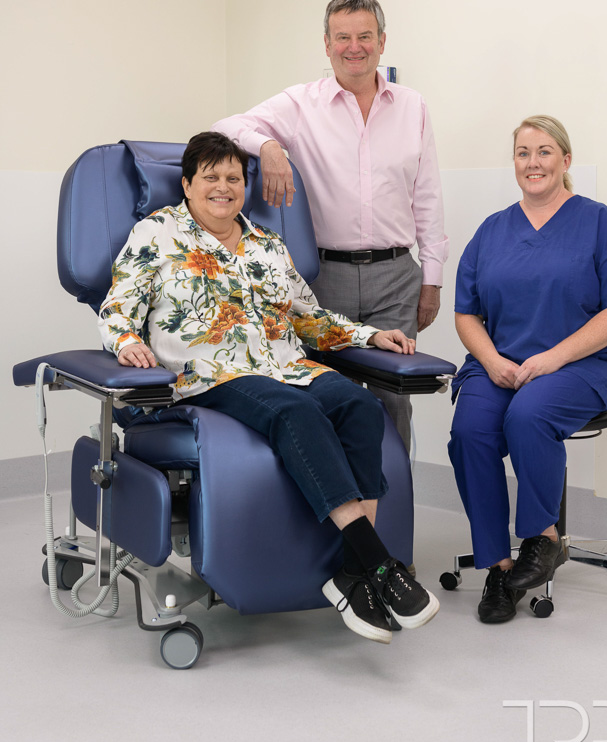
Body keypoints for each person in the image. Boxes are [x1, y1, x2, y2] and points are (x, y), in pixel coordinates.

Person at [98, 131, 439, 644]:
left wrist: (368, 335)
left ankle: (351, 573)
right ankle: (377, 563)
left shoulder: (267, 244)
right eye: (210, 177)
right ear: (187, 185)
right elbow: (117, 308)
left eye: (233, 177)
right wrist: (126, 342)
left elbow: (307, 317)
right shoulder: (157, 234)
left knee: (361, 406)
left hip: (286, 365)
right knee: (294, 413)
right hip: (210, 373)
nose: (223, 186)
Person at [211, 0, 448, 451]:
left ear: (382, 41)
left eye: (365, 36)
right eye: (343, 37)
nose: (353, 47)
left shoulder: (413, 106)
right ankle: (335, 496)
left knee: (392, 402)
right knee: (325, 397)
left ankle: (390, 498)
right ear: (326, 44)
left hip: (396, 278)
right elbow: (225, 127)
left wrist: (432, 279)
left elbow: (428, 196)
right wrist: (268, 146)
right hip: (323, 279)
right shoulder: (301, 104)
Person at [447, 115, 607, 624]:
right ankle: (499, 569)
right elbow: (466, 313)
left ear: (565, 160)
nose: (533, 162)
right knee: (470, 431)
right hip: (502, 364)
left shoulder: (598, 222)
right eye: (523, 153)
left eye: (544, 152)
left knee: (529, 415)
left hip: (583, 364)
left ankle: (542, 538)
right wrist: (492, 361)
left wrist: (553, 357)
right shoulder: (492, 230)